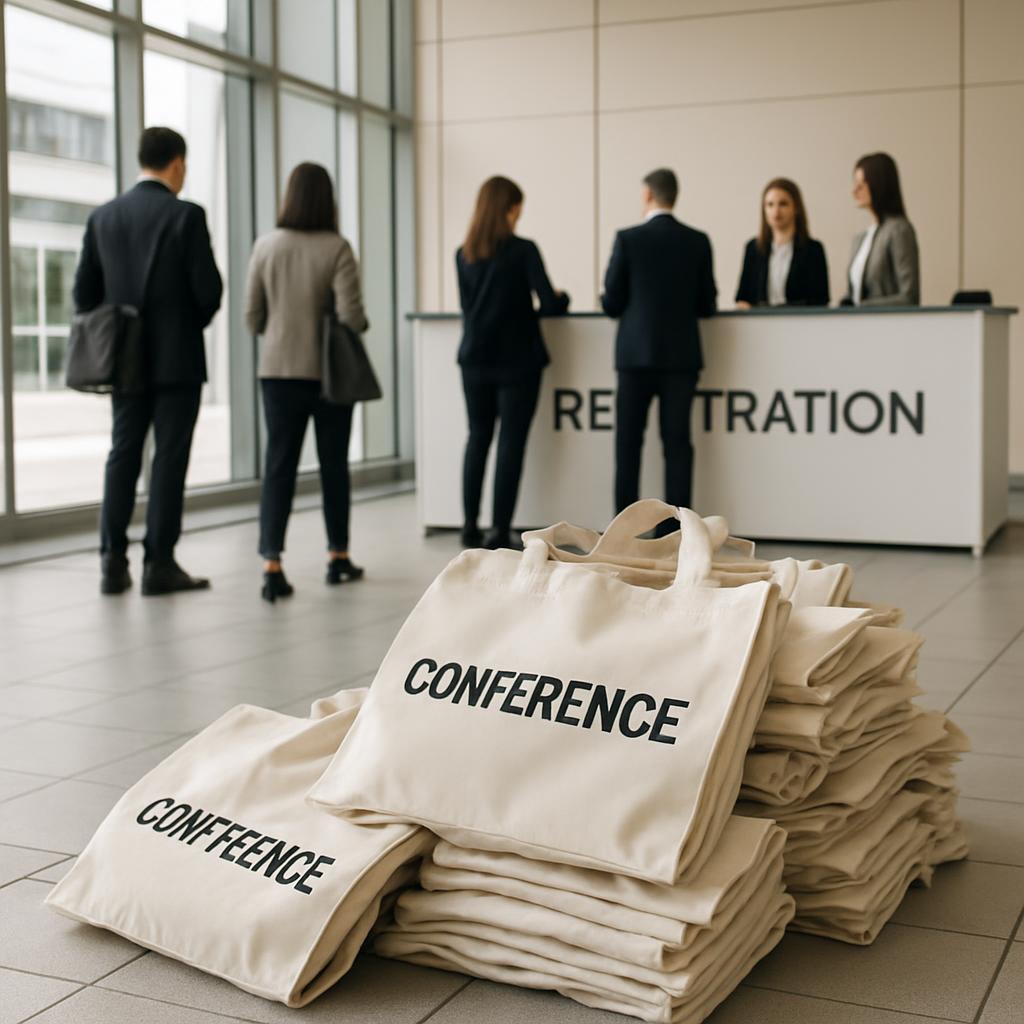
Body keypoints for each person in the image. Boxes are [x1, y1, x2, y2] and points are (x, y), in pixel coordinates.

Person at [74, 127, 223, 597]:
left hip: (123, 361)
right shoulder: (187, 216)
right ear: (177, 163)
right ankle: (159, 563)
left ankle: (112, 563)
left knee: (122, 454)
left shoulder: (104, 218)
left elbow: (83, 296)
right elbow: (209, 295)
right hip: (177, 361)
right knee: (168, 460)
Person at [245, 162, 368, 603]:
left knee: (279, 465)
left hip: (277, 371)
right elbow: (352, 317)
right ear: (328, 199)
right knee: (333, 465)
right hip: (327, 373)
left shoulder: (265, 246)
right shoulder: (337, 247)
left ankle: (272, 564)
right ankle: (338, 557)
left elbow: (251, 317)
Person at [456, 175, 569, 550]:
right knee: (510, 444)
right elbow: (549, 304)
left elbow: (467, 308)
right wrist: (561, 298)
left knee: (477, 438)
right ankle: (498, 530)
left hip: (474, 359)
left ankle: (469, 525)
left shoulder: (464, 253)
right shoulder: (524, 250)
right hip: (518, 360)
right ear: (511, 208)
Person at [602, 168, 716, 526]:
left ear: (647, 195)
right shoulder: (697, 241)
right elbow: (707, 306)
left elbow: (612, 303)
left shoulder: (627, 239)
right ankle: (675, 533)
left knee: (628, 446)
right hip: (681, 358)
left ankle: (624, 530)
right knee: (678, 445)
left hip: (635, 358)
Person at [735, 178, 829, 307]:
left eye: (783, 204)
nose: (776, 211)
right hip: (761, 324)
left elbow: (820, 299)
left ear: (796, 207)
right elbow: (742, 298)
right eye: (770, 204)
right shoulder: (753, 248)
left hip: (801, 323)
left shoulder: (813, 249)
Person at [842, 152, 919, 306]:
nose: (854, 191)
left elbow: (909, 296)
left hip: (887, 325)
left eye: (861, 184)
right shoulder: (861, 238)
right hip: (858, 325)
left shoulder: (899, 230)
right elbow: (853, 295)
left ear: (879, 184)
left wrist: (862, 307)